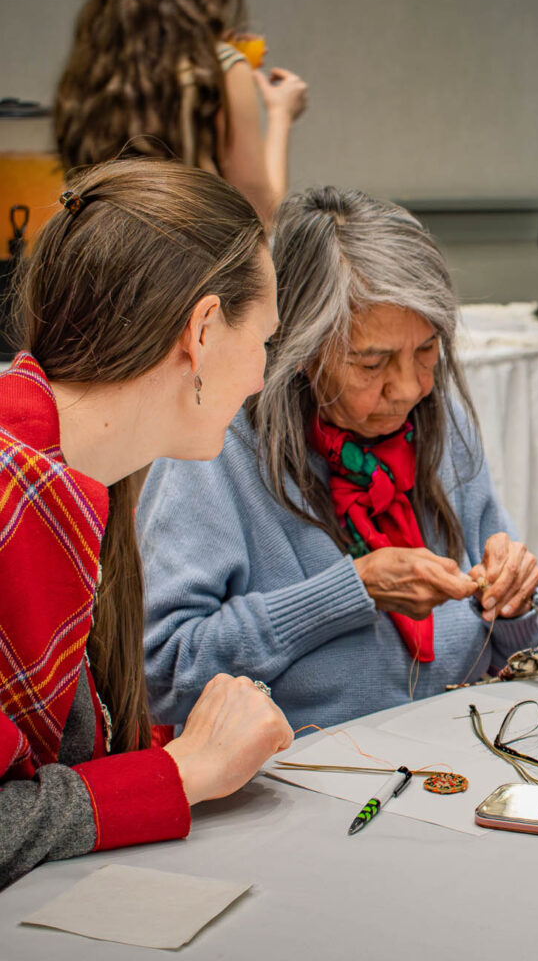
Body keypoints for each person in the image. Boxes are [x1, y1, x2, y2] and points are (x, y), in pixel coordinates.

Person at [138, 187, 538, 730]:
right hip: (298, 785)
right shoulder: (217, 449)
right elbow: (164, 672)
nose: (409, 388)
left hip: (461, 754)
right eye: (371, 363)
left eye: (427, 350)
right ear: (302, 351)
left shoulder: (442, 422)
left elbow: (536, 647)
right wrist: (349, 591)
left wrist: (519, 600)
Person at [0, 158, 293, 889]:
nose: (262, 378)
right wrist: (180, 772)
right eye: (262, 340)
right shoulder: (20, 493)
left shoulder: (80, 478)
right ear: (201, 330)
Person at [54, 0, 308, 225]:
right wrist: (281, 115)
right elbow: (263, 213)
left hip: (103, 256)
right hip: (188, 263)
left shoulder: (95, 65)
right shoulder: (221, 68)